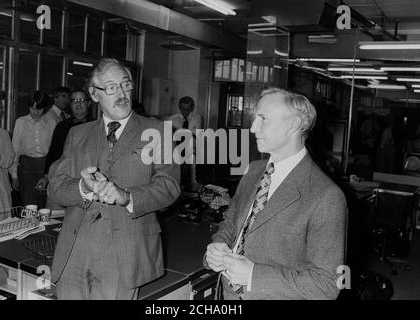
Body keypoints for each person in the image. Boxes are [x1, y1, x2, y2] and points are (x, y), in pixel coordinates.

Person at [47, 58, 180, 300]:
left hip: (124, 253)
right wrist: (82, 187)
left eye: (126, 85)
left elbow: (169, 186)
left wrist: (127, 196)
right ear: (94, 94)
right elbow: (55, 187)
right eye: (111, 87)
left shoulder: (158, 131)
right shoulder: (77, 135)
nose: (121, 93)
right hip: (74, 251)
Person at [204, 87, 347, 300]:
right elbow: (231, 222)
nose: (253, 128)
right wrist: (219, 244)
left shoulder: (326, 196)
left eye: (263, 119)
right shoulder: (253, 170)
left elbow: (327, 285)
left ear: (293, 125)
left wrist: (253, 275)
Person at [36, 88, 94, 200]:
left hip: (89, 176)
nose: (78, 103)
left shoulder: (98, 126)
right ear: (70, 104)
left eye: (82, 100)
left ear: (89, 103)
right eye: (75, 100)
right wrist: (46, 176)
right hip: (65, 176)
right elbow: (54, 153)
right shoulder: (61, 127)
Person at [10, 91, 55, 208]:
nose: (35, 112)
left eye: (39, 109)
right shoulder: (21, 122)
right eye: (32, 108)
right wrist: (14, 174)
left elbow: (54, 150)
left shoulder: (51, 123)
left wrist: (49, 173)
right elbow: (15, 149)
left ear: (44, 108)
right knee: (29, 204)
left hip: (46, 167)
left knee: (45, 203)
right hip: (26, 166)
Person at [168, 96, 203, 190]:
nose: (185, 112)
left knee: (191, 173)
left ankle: (192, 187)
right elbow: (168, 136)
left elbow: (197, 134)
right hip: (176, 150)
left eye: (188, 109)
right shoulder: (172, 119)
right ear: (179, 107)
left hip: (191, 149)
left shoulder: (197, 118)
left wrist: (178, 131)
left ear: (192, 108)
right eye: (183, 109)